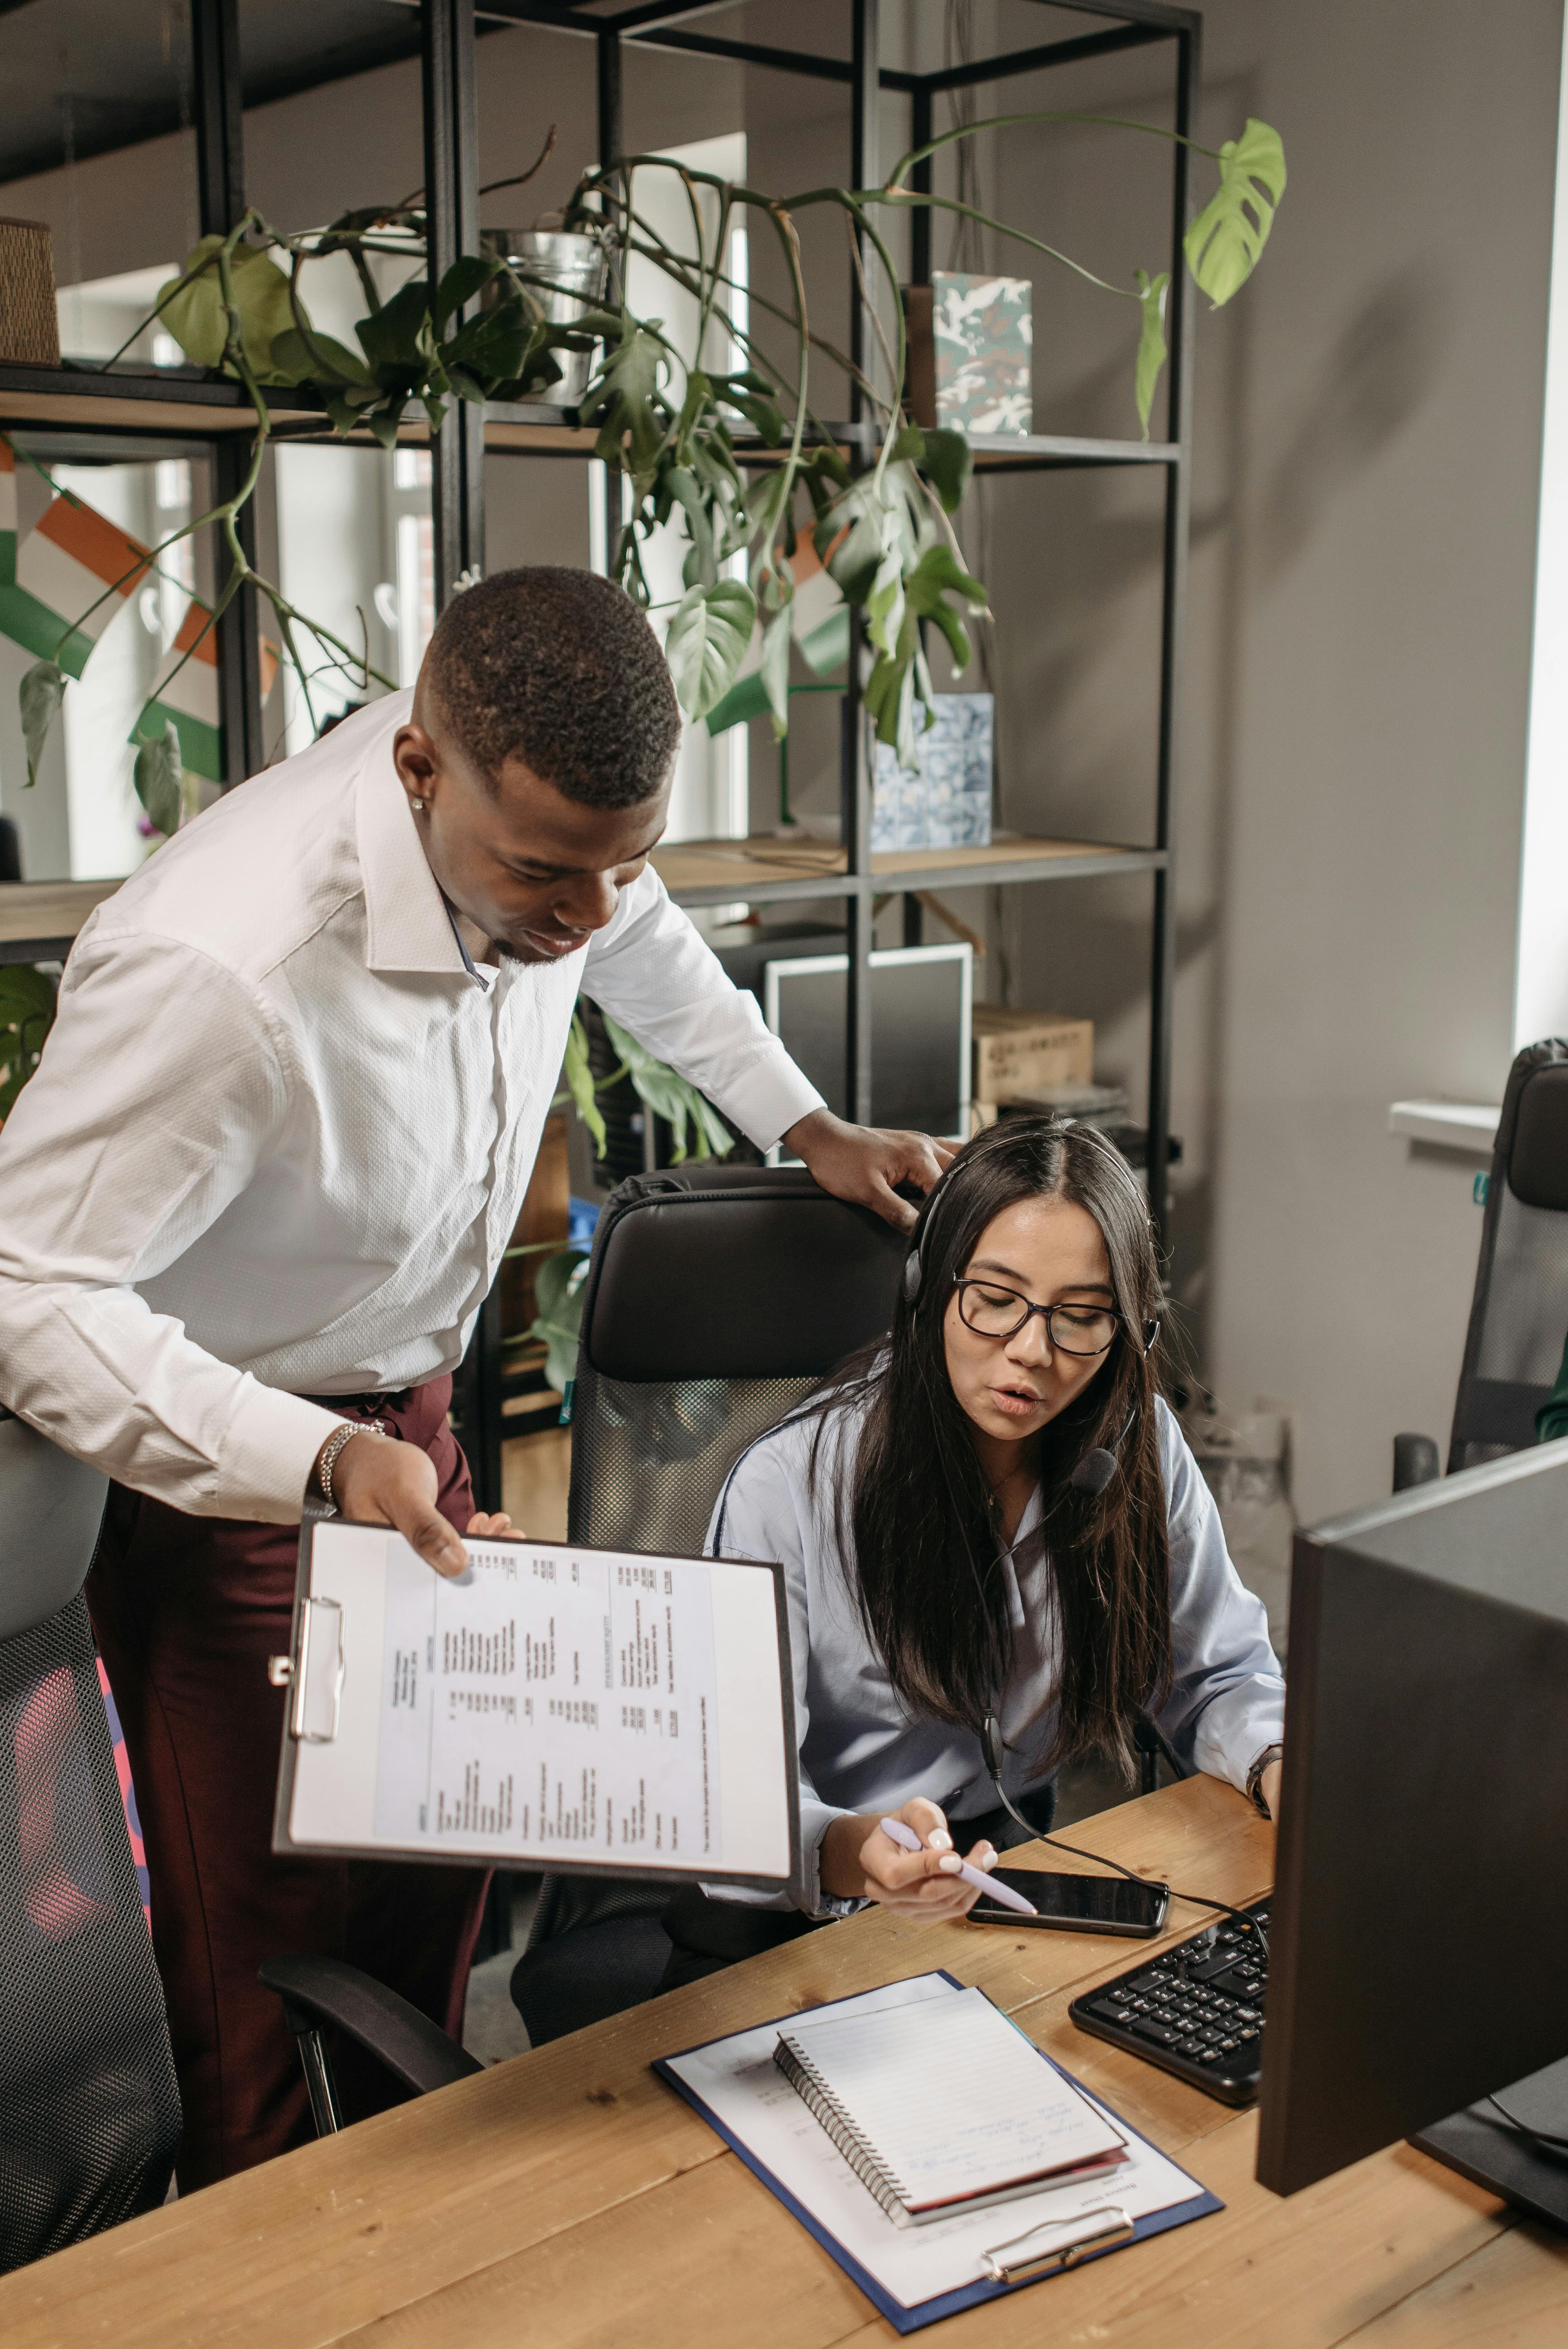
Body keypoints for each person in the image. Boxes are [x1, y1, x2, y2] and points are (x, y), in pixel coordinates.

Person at [0, 567, 951, 2184]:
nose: (586, 916)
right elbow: (24, 1279)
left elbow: (649, 954)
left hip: (417, 1427)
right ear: (418, 767)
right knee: (264, 1949)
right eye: (545, 875)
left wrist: (807, 1124)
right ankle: (277, 2264)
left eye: (620, 865)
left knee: (439, 1878)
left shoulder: (550, 836)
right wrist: (309, 1459)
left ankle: (425, 2224)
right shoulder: (217, 971)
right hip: (240, 1466)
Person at [665, 1115, 1284, 1979]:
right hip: (795, 1915)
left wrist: (1278, 1767)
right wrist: (854, 1855)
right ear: (928, 1287)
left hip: (1000, 1884)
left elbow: (1219, 1674)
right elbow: (727, 1815)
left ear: (1127, 1333)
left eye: (1080, 1318)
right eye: (994, 1301)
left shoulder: (1135, 1447)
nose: (1031, 1352)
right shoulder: (791, 1484)